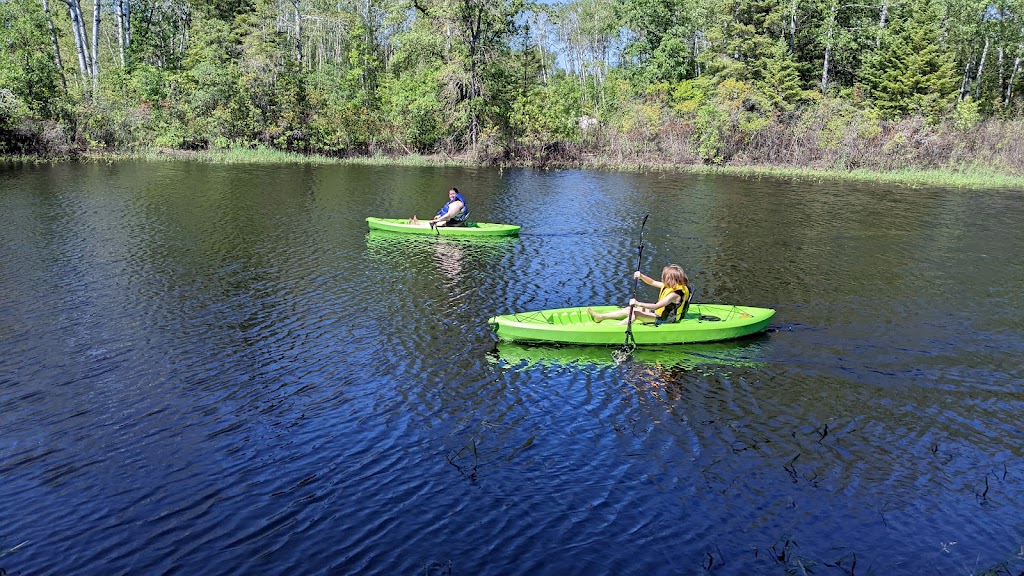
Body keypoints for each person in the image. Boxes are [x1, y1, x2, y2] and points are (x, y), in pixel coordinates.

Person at [589, 264, 691, 325]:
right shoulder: (670, 286)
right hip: (659, 313)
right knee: (630, 309)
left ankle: (616, 328)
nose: (663, 279)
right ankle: (601, 317)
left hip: (665, 319)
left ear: (670, 279)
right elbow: (652, 282)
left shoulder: (674, 294)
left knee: (636, 314)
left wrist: (638, 303)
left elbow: (657, 306)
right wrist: (641, 276)